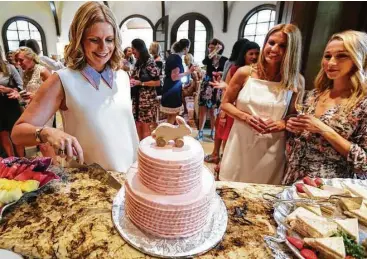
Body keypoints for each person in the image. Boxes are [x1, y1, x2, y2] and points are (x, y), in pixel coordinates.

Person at [11, 1, 139, 172]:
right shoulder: (63, 80)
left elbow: (124, 129)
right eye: (94, 40)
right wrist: (47, 133)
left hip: (131, 174)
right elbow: (17, 133)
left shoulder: (122, 77)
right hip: (92, 184)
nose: (103, 48)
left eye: (109, 40)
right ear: (79, 40)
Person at [219, 24, 303, 184]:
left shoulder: (296, 80)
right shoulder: (244, 72)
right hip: (240, 142)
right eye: (271, 43)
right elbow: (225, 104)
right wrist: (246, 117)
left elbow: (293, 115)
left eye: (283, 46)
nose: (274, 49)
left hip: (271, 147)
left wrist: (282, 123)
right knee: (231, 189)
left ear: (292, 50)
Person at [283, 30, 367, 184]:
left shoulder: (363, 104)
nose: (331, 62)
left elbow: (364, 163)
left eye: (341, 56)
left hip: (329, 188)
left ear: (359, 58)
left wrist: (323, 129)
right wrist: (292, 127)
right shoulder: (314, 95)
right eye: (327, 56)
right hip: (294, 180)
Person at [205, 42, 260, 172]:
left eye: (257, 53)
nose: (254, 56)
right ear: (244, 54)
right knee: (227, 137)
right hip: (234, 110)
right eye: (251, 53)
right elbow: (228, 94)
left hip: (249, 111)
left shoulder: (261, 72)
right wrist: (223, 113)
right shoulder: (236, 69)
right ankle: (224, 163)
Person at [15, 47, 56, 159]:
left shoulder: (42, 71)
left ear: (31, 57)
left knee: (44, 142)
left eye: (21, 60)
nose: (19, 63)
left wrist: (34, 96)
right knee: (40, 141)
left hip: (45, 110)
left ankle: (56, 168)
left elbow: (55, 91)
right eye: (17, 61)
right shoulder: (27, 73)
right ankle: (51, 167)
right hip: (33, 110)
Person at [130, 39, 161, 140]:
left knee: (145, 127)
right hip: (137, 99)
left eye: (133, 49)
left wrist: (141, 83)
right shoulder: (138, 62)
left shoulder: (150, 63)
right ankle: (139, 149)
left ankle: (145, 150)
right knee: (137, 125)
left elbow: (158, 82)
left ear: (139, 49)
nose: (132, 51)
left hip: (147, 101)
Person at [197, 39, 228, 141]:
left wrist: (220, 74)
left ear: (219, 47)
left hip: (216, 87)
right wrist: (214, 52)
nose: (209, 49)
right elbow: (204, 62)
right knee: (202, 110)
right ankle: (200, 132)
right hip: (206, 85)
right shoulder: (209, 59)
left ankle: (213, 132)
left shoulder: (224, 60)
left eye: (212, 47)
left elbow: (226, 73)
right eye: (209, 47)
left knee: (213, 112)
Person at [160, 39, 195, 124]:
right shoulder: (176, 58)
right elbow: (174, 77)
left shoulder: (172, 56)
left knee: (170, 116)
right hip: (172, 89)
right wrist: (188, 72)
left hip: (169, 87)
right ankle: (168, 134)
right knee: (173, 114)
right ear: (185, 48)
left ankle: (168, 133)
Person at [0, 46, 25, 157]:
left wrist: (9, 89)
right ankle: (11, 160)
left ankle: (22, 159)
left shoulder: (9, 68)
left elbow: (20, 85)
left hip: (10, 103)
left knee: (15, 133)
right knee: (3, 134)